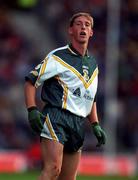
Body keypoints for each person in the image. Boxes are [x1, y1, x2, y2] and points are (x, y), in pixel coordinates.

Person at [24, 12, 106, 180]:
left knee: (68, 178)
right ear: (70, 30)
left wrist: (95, 124)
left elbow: (91, 98)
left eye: (87, 25)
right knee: (53, 169)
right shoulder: (58, 56)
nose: (83, 27)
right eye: (78, 24)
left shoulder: (93, 65)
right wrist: (32, 109)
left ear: (91, 32)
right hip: (56, 117)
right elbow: (31, 81)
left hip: (78, 123)